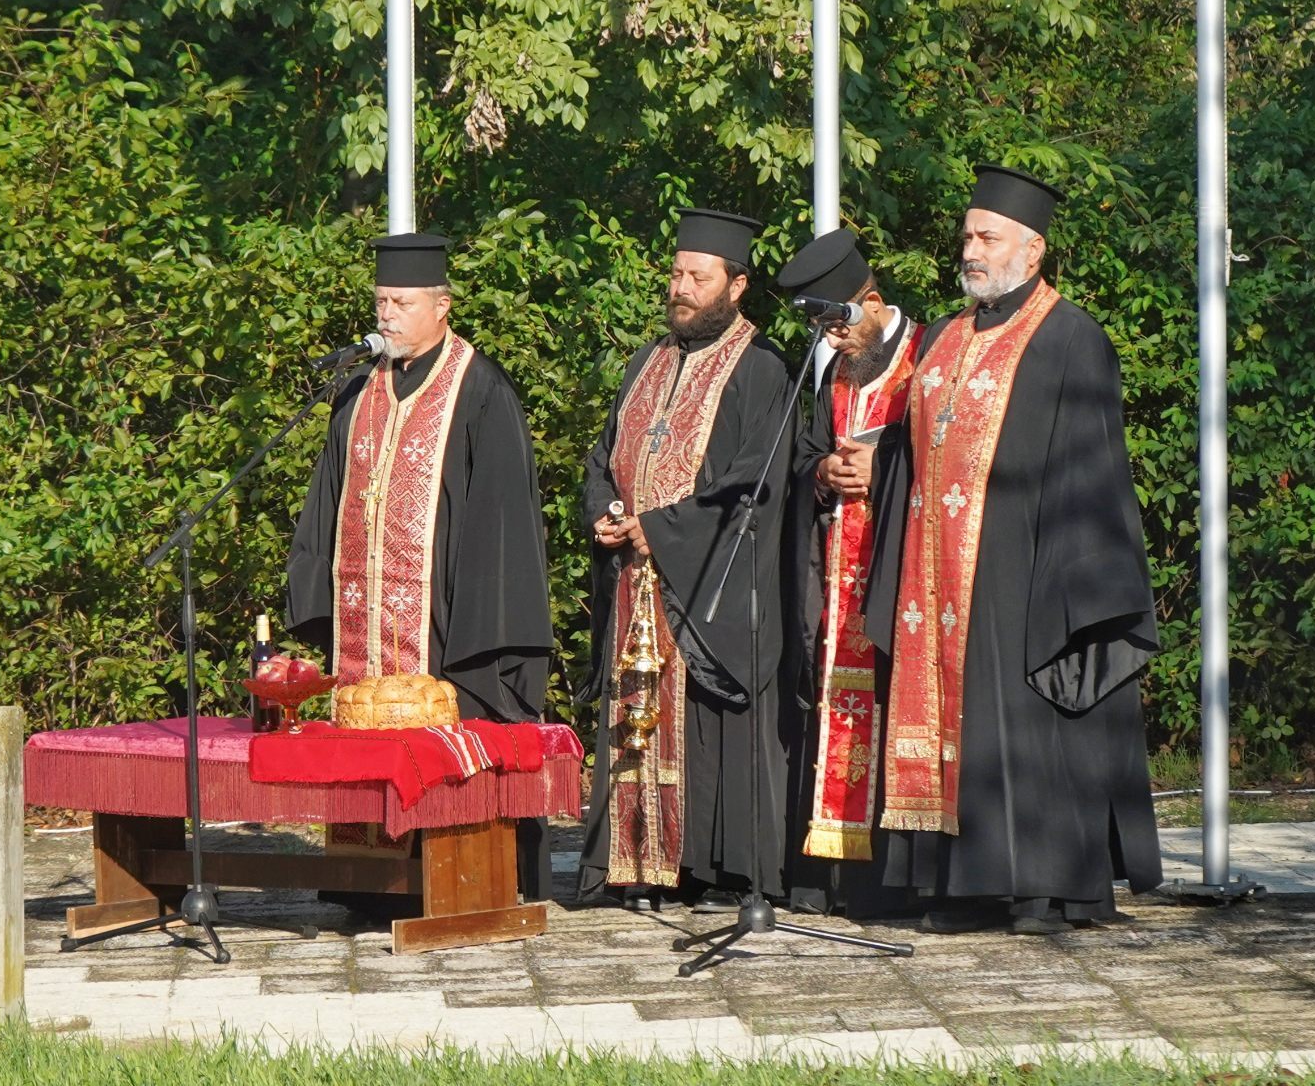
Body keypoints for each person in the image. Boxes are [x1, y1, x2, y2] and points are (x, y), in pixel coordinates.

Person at [861, 164, 1164, 935]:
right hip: (934, 578)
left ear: (1032, 250)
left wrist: (1069, 586)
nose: (971, 249)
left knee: (1025, 725)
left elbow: (1094, 473)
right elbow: (914, 448)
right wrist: (875, 461)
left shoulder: (1071, 338)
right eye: (967, 235)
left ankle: (1041, 887)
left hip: (1027, 574)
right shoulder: (942, 336)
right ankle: (955, 886)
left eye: (987, 237)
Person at [283, 232, 556, 899]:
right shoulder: (358, 391)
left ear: (441, 305)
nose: (386, 316)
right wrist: (316, 591)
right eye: (380, 302)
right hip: (365, 623)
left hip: (447, 625)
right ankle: (368, 883)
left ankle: (455, 884)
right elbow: (328, 498)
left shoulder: (480, 390)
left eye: (401, 303)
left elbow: (503, 526)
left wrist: (477, 631)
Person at [576, 208, 798, 912]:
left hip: (705, 590)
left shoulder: (762, 370)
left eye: (698, 278)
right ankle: (636, 862)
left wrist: (664, 530)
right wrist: (603, 511)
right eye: (676, 275)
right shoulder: (646, 361)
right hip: (633, 582)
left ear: (737, 285)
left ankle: (708, 869)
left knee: (702, 730)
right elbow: (603, 456)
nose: (681, 289)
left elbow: (754, 483)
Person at [776, 230, 923, 918]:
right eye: (822, 328)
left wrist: (882, 466)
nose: (832, 338)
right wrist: (823, 471)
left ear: (872, 301)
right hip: (833, 571)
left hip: (896, 570)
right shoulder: (833, 373)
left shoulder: (925, 356)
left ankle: (888, 882)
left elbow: (935, 452)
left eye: (838, 323)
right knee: (830, 705)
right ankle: (828, 876)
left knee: (891, 708)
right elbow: (805, 452)